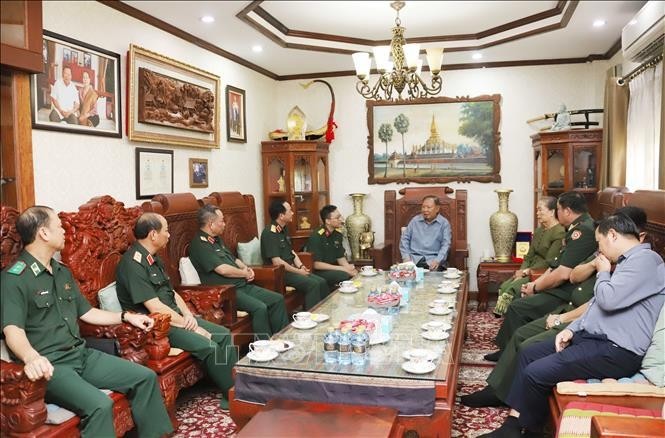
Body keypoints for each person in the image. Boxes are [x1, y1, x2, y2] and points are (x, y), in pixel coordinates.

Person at [481, 213, 665, 438]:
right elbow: (597, 305)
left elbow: (608, 299)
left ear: (613, 235)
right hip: (595, 339)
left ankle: (530, 431)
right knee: (529, 353)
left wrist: (603, 272)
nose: (599, 251)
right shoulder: (626, 262)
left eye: (599, 244)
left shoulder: (647, 261)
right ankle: (512, 425)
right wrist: (571, 329)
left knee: (535, 372)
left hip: (616, 351)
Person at [1, 206, 172, 438]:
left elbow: (87, 313)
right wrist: (31, 358)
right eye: (59, 227)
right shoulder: (14, 279)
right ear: (43, 233)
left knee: (145, 377)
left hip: (81, 355)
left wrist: (125, 316)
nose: (63, 231)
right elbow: (13, 331)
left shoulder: (61, 271)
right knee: (100, 405)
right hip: (52, 367)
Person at [115, 213, 237, 409]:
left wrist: (188, 315)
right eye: (166, 230)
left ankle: (230, 388)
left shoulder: (153, 258)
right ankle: (234, 395)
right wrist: (190, 326)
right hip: (157, 326)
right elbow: (154, 307)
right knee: (209, 346)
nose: (169, 235)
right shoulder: (133, 264)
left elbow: (171, 292)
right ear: (153, 234)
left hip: (176, 317)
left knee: (224, 335)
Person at [485, 192, 597, 362]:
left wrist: (535, 287)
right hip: (559, 287)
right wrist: (535, 284)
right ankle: (507, 350)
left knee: (518, 307)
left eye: (558, 209)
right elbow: (555, 265)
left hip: (567, 293)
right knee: (519, 303)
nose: (557, 213)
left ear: (566, 211)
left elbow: (562, 273)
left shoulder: (582, 231)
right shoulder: (576, 227)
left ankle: (509, 354)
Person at [188, 205, 288, 339]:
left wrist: (246, 268)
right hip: (227, 292)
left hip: (241, 285)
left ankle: (283, 338)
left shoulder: (216, 239)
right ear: (211, 224)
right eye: (222, 221)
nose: (224, 224)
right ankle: (264, 348)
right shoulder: (200, 244)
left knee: (277, 299)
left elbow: (233, 259)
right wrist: (244, 274)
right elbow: (222, 269)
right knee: (260, 308)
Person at [494, 196, 565, 316]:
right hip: (528, 269)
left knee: (513, 289)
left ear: (552, 212)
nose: (537, 213)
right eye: (537, 210)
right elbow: (529, 255)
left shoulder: (559, 232)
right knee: (505, 286)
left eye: (540, 210)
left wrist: (526, 272)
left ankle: (514, 317)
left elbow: (550, 261)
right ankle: (507, 318)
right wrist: (521, 271)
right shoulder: (539, 231)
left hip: (541, 272)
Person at [260, 200, 329, 310]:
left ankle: (326, 312)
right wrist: (298, 271)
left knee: (322, 281)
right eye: (289, 211)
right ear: (281, 215)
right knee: (313, 284)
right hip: (280, 274)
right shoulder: (270, 233)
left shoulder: (284, 228)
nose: (292, 213)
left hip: (291, 269)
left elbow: (291, 252)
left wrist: (301, 266)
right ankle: (311, 317)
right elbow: (277, 262)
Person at [305, 205, 358, 291]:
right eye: (337, 218)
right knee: (344, 275)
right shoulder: (317, 236)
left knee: (354, 272)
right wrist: (343, 269)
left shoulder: (337, 234)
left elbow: (340, 257)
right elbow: (316, 264)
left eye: (340, 216)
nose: (341, 219)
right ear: (328, 221)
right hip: (319, 271)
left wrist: (349, 268)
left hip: (333, 268)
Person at [399, 195, 452, 271]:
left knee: (434, 279)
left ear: (437, 208)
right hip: (414, 260)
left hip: (433, 260)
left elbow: (446, 245)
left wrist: (438, 260)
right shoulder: (415, 221)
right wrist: (406, 258)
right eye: (423, 207)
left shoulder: (444, 223)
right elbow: (405, 239)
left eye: (428, 207)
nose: (425, 210)